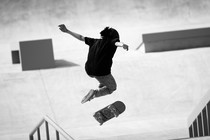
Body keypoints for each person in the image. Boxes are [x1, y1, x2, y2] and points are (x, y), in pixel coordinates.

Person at [58, 24, 129, 104]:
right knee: (112, 88)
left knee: (102, 77)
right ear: (114, 38)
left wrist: (67, 31)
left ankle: (102, 84)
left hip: (88, 70)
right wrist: (123, 45)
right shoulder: (111, 42)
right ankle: (95, 93)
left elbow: (81, 37)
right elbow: (117, 43)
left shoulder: (94, 41)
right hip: (100, 72)